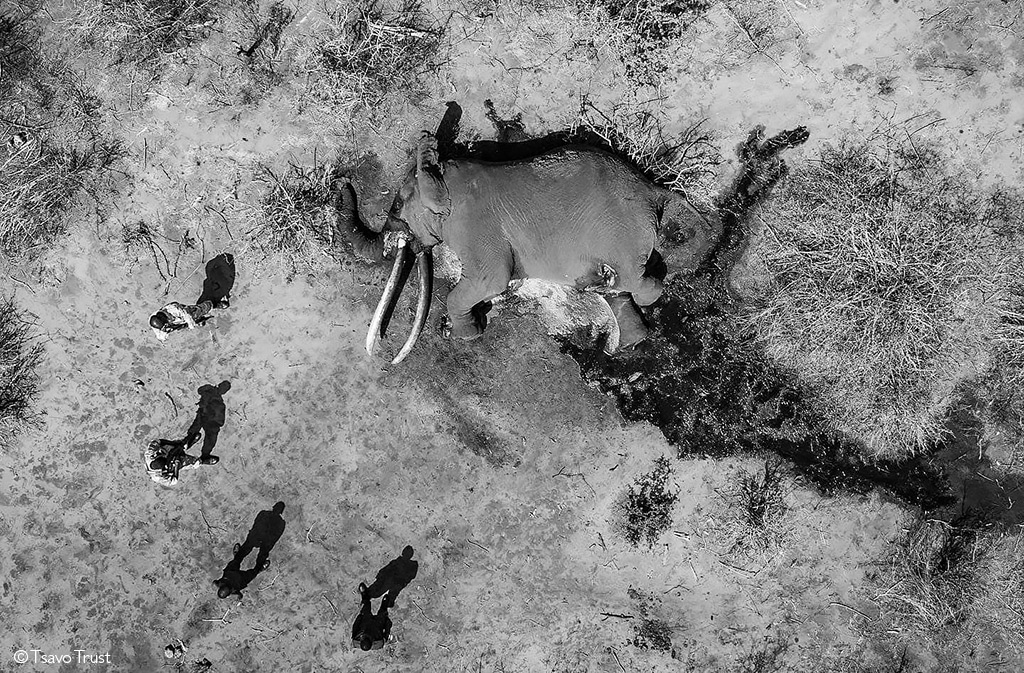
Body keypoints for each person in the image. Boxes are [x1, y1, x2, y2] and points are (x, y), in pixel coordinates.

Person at [184, 381, 231, 463]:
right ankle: (185, 444)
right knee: (194, 431)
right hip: (203, 416)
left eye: (225, 390)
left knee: (211, 437)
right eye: (223, 387)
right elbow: (200, 391)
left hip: (212, 422)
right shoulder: (210, 390)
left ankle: (205, 455)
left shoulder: (219, 400)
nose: (223, 390)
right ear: (219, 385)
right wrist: (208, 390)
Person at [232, 501, 286, 571]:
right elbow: (255, 525)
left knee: (263, 553)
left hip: (267, 540)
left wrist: (267, 542)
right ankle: (237, 557)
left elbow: (276, 536)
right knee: (247, 546)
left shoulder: (281, 523)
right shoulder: (263, 513)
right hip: (257, 535)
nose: (276, 510)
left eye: (279, 509)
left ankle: (258, 568)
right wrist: (254, 536)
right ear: (273, 507)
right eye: (276, 507)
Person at [144, 438, 217, 487]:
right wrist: (176, 466)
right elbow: (173, 481)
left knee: (176, 446)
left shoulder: (149, 454)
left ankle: (187, 444)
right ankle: (201, 461)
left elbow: (158, 441)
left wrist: (175, 444)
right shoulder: (157, 477)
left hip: (167, 452)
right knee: (189, 462)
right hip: (173, 465)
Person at [149, 300, 217, 342]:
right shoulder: (154, 322)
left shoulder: (173, 309)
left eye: (165, 325)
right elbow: (160, 336)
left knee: (196, 313)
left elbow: (187, 316)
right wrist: (164, 334)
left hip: (184, 313)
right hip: (175, 322)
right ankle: (197, 321)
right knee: (182, 326)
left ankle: (212, 304)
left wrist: (191, 325)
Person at [351, 582, 392, 651]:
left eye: (364, 637)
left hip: (365, 621)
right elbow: (386, 633)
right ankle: (385, 604)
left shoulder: (355, 640)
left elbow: (355, 627)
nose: (366, 635)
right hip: (377, 625)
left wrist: (360, 617)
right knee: (382, 613)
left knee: (365, 608)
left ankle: (365, 597)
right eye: (368, 637)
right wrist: (387, 622)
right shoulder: (379, 643)